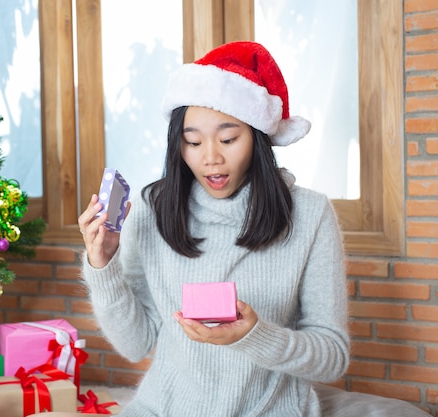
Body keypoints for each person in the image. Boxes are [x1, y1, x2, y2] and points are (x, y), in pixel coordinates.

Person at [77, 41, 349, 416]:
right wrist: (103, 266)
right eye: (193, 141)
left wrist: (255, 336)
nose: (210, 158)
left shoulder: (310, 214)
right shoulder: (152, 209)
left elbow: (332, 357)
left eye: (228, 139)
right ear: (179, 144)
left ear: (258, 137)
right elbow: (136, 343)